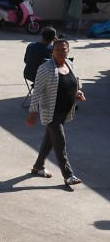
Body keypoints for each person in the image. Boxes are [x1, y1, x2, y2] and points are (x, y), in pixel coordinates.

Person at [27, 38, 84, 187]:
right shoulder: (45, 68)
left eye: (63, 49)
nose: (60, 52)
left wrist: (78, 92)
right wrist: (33, 112)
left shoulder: (69, 64)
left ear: (68, 50)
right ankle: (68, 175)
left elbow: (74, 81)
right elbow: (37, 91)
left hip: (64, 112)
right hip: (50, 113)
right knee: (60, 141)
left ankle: (38, 167)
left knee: (50, 140)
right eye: (57, 49)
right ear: (52, 51)